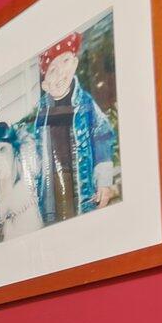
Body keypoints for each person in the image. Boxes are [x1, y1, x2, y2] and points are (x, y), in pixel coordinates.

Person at [27, 30, 118, 223]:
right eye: (52, 69)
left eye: (66, 61)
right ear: (45, 84)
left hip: (83, 187)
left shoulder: (85, 104)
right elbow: (35, 153)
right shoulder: (41, 114)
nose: (60, 72)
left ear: (75, 63)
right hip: (54, 189)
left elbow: (102, 136)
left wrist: (103, 181)